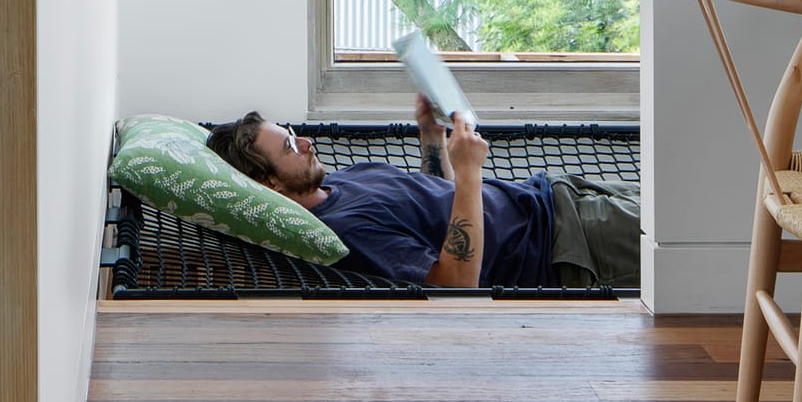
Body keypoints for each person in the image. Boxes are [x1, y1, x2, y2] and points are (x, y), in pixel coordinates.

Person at [206, 96, 637, 291]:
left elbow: (440, 207)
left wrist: (432, 141)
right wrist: (470, 172)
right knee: (698, 233)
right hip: (568, 247)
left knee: (695, 205)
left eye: (294, 134)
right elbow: (455, 284)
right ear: (270, 184)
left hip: (558, 195)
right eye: (288, 147)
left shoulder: (342, 180)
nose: (304, 143)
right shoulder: (346, 232)